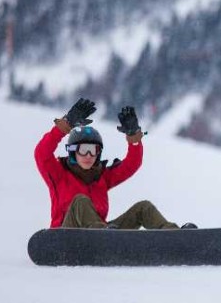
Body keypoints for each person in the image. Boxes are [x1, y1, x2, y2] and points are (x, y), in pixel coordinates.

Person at [34, 98, 196, 230]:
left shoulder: (101, 177)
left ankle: (172, 236)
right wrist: (66, 125)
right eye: (83, 150)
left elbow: (132, 164)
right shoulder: (59, 174)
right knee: (80, 201)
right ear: (72, 152)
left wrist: (133, 137)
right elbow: (42, 153)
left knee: (143, 208)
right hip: (65, 239)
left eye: (94, 150)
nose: (89, 155)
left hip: (103, 236)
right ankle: (103, 236)